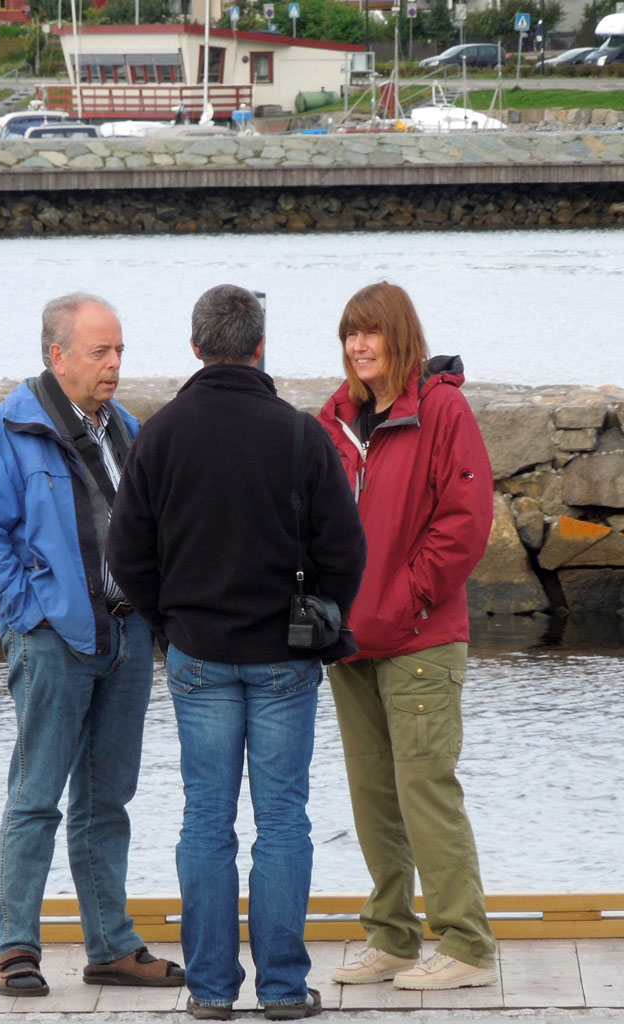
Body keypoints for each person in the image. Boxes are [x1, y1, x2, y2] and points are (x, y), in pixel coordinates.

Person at [106, 284, 366, 1021]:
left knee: (206, 819)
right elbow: (346, 551)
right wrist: (317, 609)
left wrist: (170, 621)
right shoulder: (297, 434)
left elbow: (128, 551)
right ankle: (283, 988)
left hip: (198, 651)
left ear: (196, 347)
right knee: (283, 819)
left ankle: (212, 989)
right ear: (260, 346)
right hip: (285, 651)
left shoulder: (160, 435)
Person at [0, 293, 185, 997]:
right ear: (58, 356)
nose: (114, 364)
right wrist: (32, 614)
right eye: (100, 352)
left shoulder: (129, 430)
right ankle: (14, 946)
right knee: (36, 797)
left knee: (107, 800)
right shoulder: (3, 432)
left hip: (126, 636)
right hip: (53, 642)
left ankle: (110, 944)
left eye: (119, 351)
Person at [317, 281, 498, 991]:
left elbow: (465, 521)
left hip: (421, 640)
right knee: (372, 796)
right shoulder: (335, 421)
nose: (359, 346)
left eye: (371, 333)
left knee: (426, 791)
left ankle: (467, 945)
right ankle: (390, 937)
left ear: (401, 337)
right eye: (349, 335)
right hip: (350, 641)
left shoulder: (443, 409)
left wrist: (407, 596)